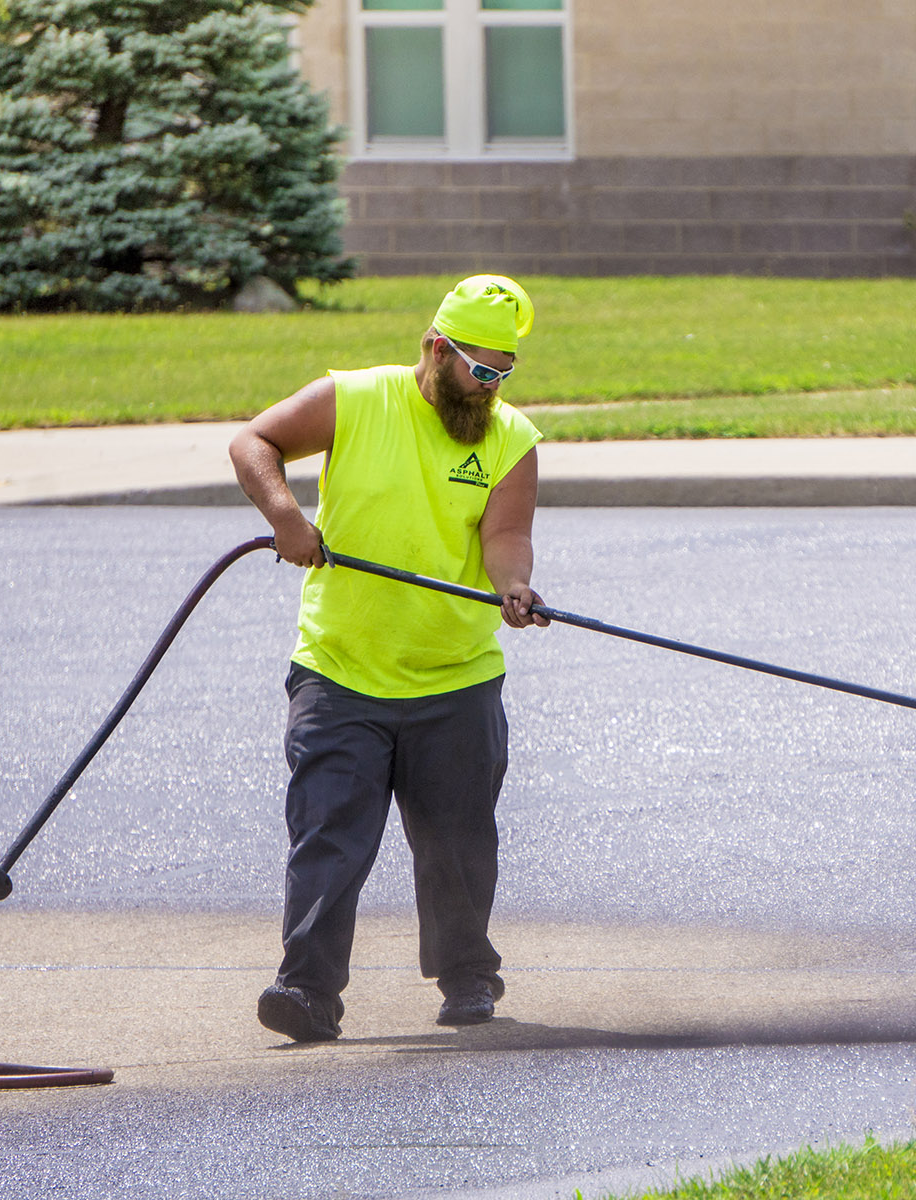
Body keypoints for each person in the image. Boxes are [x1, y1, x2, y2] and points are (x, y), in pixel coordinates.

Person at [229, 274, 549, 1043]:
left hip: (455, 676)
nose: (492, 387)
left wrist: (515, 586)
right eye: (481, 369)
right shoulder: (356, 398)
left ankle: (467, 977)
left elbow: (504, 534)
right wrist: (286, 518)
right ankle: (306, 991)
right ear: (436, 349)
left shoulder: (510, 437)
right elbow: (253, 442)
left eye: (505, 372)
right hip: (341, 670)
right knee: (329, 836)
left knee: (457, 843)